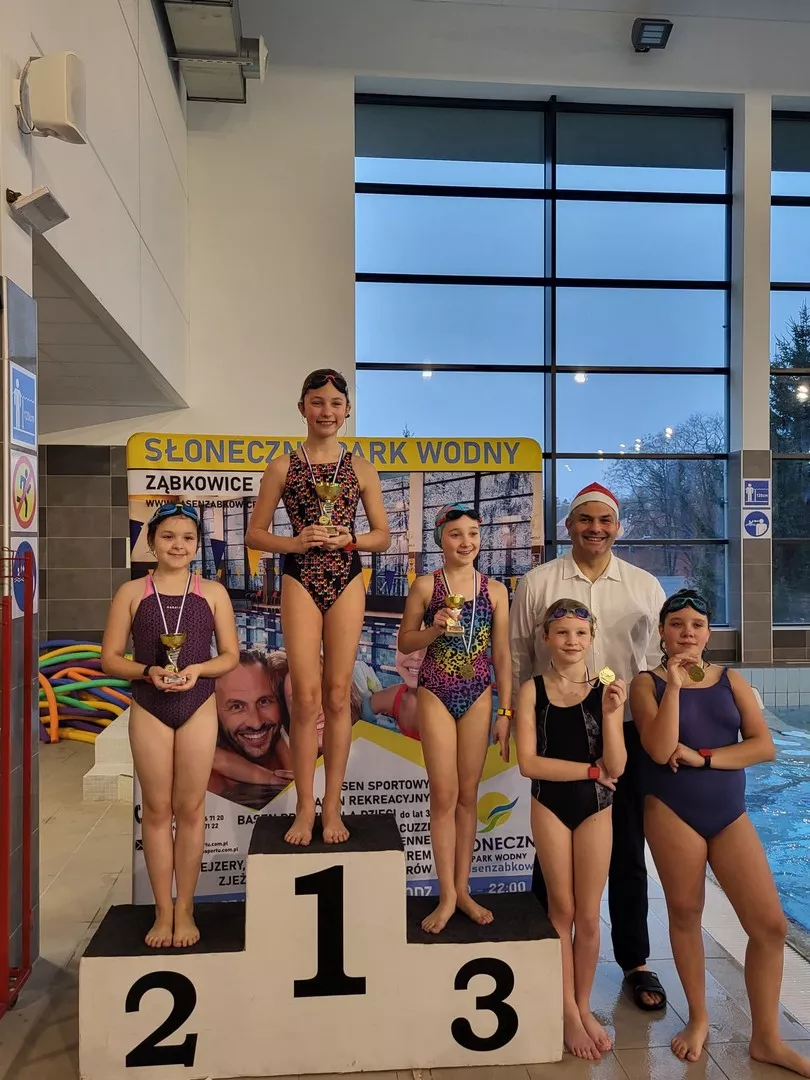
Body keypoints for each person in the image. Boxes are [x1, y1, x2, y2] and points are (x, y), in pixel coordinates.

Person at [631, 589, 810, 1075]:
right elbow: (659, 748)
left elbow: (763, 746)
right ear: (662, 632)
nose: (687, 633)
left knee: (770, 926)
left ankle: (767, 1038)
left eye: (697, 625)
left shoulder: (732, 681)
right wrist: (674, 685)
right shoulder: (646, 684)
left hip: (729, 813)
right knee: (687, 914)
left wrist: (704, 757)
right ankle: (699, 1019)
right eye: (677, 624)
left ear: (709, 633)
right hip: (672, 809)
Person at [510, 482, 667, 1010]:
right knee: (551, 853)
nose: (595, 528)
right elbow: (517, 654)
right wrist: (516, 714)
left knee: (627, 849)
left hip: (623, 729)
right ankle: (546, 960)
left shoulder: (644, 586)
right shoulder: (539, 582)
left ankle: (635, 961)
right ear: (569, 526)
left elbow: (656, 664)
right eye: (585, 519)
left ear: (617, 527)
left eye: (605, 520)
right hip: (555, 725)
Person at [246, 369, 391, 845]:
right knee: (306, 697)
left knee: (338, 694)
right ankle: (305, 807)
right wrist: (294, 541)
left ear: (347, 411)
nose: (326, 411)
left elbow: (383, 537)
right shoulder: (282, 467)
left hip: (345, 579)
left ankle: (333, 807)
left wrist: (352, 538)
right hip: (300, 579)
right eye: (317, 402)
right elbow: (254, 534)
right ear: (302, 408)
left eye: (334, 403)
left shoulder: (361, 468)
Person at [101, 503, 239, 948]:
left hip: (198, 704)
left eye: (187, 538)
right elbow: (110, 659)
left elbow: (230, 656)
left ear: (197, 545)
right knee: (158, 810)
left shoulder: (213, 593)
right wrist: (147, 672)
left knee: (191, 809)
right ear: (151, 541)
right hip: (150, 705)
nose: (178, 545)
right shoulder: (131, 593)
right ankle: (163, 910)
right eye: (168, 536)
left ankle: (186, 907)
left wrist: (198, 670)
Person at [515, 599, 627, 1061]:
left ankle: (583, 1006)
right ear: (546, 638)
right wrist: (589, 771)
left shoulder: (605, 689)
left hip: (597, 807)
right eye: (562, 632)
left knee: (589, 914)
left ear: (592, 637)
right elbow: (528, 764)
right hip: (550, 804)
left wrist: (614, 715)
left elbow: (617, 766)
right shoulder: (531, 690)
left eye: (580, 633)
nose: (571, 641)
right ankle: (566, 1011)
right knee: (561, 909)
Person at [398, 503, 511, 933]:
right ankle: (446, 894)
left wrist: (505, 710)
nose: (466, 542)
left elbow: (502, 655)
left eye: (473, 535)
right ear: (440, 541)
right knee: (443, 796)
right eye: (456, 535)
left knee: (468, 795)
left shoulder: (495, 590)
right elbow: (406, 642)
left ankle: (463, 890)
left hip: (479, 692)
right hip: (436, 691)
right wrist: (435, 627)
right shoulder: (426, 586)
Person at [208, 650, 292, 794]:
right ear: (214, 711)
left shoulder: (297, 743)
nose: (256, 723)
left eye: (264, 702)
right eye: (236, 707)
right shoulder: (206, 782)